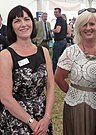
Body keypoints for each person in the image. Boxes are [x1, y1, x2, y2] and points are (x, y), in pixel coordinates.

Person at [0, 5, 55, 134]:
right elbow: (5, 98)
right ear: (11, 27)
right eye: (17, 21)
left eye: (26, 19)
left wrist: (47, 117)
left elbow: (51, 86)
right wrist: (31, 122)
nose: (23, 24)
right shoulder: (5, 55)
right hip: (17, 120)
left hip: (42, 118)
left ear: (32, 22)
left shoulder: (44, 52)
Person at [54, 8, 96, 135]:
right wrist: (74, 92)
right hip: (77, 107)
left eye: (92, 24)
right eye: (84, 24)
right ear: (78, 28)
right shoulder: (70, 52)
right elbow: (58, 78)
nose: (88, 28)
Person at [52, 7, 67, 73]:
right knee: (63, 59)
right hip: (64, 41)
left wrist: (51, 30)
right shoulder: (64, 20)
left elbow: (58, 30)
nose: (55, 14)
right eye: (54, 12)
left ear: (60, 12)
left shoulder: (59, 20)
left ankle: (54, 72)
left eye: (56, 12)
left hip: (59, 42)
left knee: (55, 58)